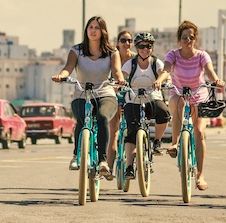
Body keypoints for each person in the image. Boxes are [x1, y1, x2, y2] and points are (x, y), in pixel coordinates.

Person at [51, 16, 124, 178]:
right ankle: (76, 155)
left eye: (96, 27)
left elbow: (117, 70)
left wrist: (120, 79)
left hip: (105, 93)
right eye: (90, 27)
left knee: (102, 116)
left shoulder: (112, 52)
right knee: (82, 119)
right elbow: (68, 68)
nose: (92, 30)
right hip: (82, 94)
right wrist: (61, 76)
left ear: (103, 31)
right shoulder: (76, 50)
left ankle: (103, 161)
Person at [163, 20, 224, 191]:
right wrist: (160, 80)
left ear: (195, 39)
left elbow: (210, 73)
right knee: (178, 103)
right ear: (179, 39)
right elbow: (166, 70)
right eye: (184, 37)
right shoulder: (173, 55)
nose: (187, 40)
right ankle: (175, 143)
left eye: (191, 37)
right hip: (179, 93)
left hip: (199, 96)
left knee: (199, 132)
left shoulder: (202, 55)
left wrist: (217, 80)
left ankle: (200, 175)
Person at [121, 32, 171, 180]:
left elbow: (164, 73)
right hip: (133, 99)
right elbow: (122, 76)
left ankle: (157, 141)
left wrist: (160, 81)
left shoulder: (156, 63)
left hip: (152, 98)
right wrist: (121, 83)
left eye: (148, 46)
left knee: (164, 113)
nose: (145, 49)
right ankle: (129, 167)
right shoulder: (130, 64)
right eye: (142, 46)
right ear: (136, 48)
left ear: (152, 48)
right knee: (131, 132)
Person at [108, 29, 136, 175]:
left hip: (132, 97)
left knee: (134, 130)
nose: (127, 43)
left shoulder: (136, 59)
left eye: (129, 41)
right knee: (114, 131)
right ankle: (108, 168)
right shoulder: (112, 57)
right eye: (123, 40)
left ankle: (132, 163)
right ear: (117, 42)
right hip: (115, 96)